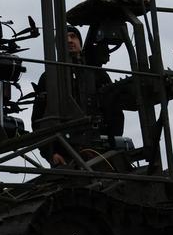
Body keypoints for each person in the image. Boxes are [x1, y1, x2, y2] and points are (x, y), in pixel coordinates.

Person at [31, 25, 124, 166]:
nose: (69, 40)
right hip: (64, 155)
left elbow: (115, 114)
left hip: (99, 151)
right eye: (64, 38)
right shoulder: (48, 77)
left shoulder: (98, 75)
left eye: (73, 36)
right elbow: (38, 121)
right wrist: (50, 153)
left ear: (80, 42)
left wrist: (112, 146)